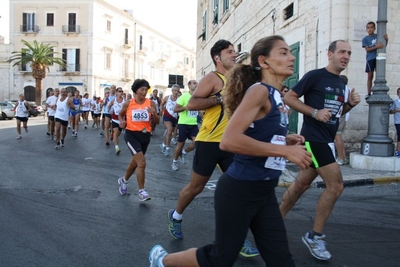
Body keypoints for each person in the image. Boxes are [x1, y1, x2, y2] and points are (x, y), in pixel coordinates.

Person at [149, 35, 313, 267]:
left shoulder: (277, 95)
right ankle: (162, 260)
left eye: (290, 52)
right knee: (220, 257)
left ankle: (237, 237)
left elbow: (256, 130)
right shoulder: (258, 91)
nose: (292, 57)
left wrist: (284, 142)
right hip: (238, 184)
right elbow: (229, 140)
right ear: (264, 61)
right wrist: (285, 153)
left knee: (282, 260)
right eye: (284, 52)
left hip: (264, 190)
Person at [166, 39, 258, 257]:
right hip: (209, 142)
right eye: (229, 52)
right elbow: (192, 104)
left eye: (235, 51)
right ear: (217, 58)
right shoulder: (213, 78)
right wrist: (219, 98)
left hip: (232, 143)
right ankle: (176, 216)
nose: (234, 55)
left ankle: (238, 238)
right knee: (195, 188)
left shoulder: (237, 79)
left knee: (238, 190)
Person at [279, 40, 361, 261]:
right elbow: (289, 97)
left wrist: (350, 105)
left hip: (327, 142)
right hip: (314, 140)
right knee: (336, 186)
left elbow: (335, 114)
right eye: (341, 52)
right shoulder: (315, 76)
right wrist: (314, 112)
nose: (346, 56)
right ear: (330, 54)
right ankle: (314, 236)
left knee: (300, 185)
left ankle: (272, 225)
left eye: (349, 53)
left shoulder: (342, 85)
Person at [117, 79, 159, 201]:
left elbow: (157, 121)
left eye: (146, 90)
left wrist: (154, 114)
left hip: (145, 136)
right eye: (142, 89)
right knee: (142, 163)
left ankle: (124, 180)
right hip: (131, 135)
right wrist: (121, 122)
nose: (144, 92)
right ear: (136, 90)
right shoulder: (128, 103)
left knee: (134, 163)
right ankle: (142, 191)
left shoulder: (151, 103)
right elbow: (120, 114)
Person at [171, 80, 199, 171]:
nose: (196, 84)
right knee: (180, 144)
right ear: (189, 85)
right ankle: (174, 162)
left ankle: (184, 152)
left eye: (196, 83)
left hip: (193, 124)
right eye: (194, 83)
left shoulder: (198, 97)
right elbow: (175, 109)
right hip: (183, 124)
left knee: (197, 143)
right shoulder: (184, 97)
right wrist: (185, 108)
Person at [362, 21, 388, 100]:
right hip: (370, 59)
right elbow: (368, 49)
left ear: (374, 28)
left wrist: (387, 40)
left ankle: (379, 89)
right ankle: (369, 93)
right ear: (366, 29)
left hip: (378, 58)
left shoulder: (378, 36)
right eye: (368, 28)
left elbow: (383, 46)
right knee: (370, 76)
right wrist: (377, 46)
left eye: (371, 27)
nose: (370, 29)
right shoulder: (365, 39)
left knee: (379, 74)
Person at [335, 75, 351, 165]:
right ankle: (344, 157)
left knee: (337, 136)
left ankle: (340, 158)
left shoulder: (341, 89)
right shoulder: (348, 89)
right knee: (340, 137)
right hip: (345, 115)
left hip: (339, 114)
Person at [160, 85, 180, 156]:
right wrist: (161, 110)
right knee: (169, 130)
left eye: (177, 91)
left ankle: (164, 145)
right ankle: (167, 149)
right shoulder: (167, 98)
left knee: (169, 133)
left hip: (175, 118)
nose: (176, 92)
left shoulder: (179, 99)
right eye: (175, 90)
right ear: (172, 91)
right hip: (167, 116)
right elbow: (162, 104)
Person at [108, 87, 125, 155]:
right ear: (116, 92)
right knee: (116, 132)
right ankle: (117, 147)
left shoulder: (125, 100)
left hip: (121, 120)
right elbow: (108, 106)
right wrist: (110, 111)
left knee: (118, 134)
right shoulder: (113, 100)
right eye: (119, 91)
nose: (121, 92)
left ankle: (114, 139)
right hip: (115, 118)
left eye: (122, 91)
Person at [389, 87, 400, 157]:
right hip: (398, 121)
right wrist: (397, 110)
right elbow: (390, 111)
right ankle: (398, 151)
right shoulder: (395, 102)